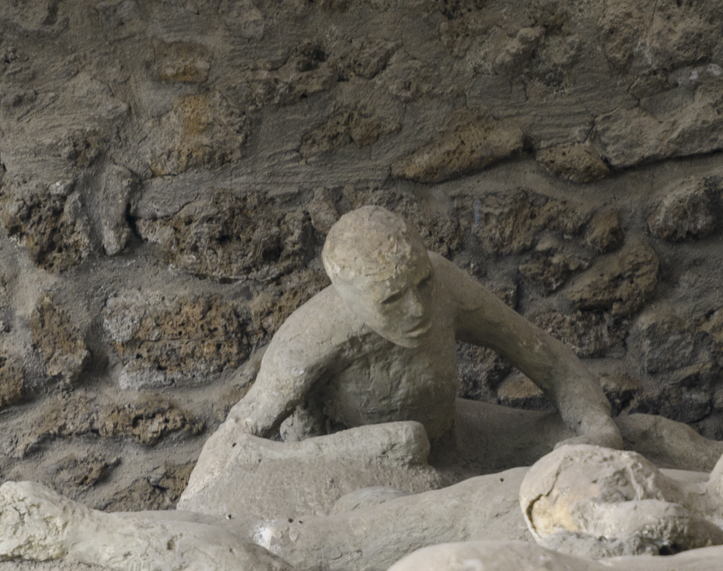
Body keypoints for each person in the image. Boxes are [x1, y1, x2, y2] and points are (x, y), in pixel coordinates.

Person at [186, 206, 624, 488]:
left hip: (452, 441)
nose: (418, 308)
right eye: (393, 299)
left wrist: (596, 422)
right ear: (348, 296)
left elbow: (541, 354)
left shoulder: (443, 285)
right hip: (351, 476)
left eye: (421, 283)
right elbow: (233, 447)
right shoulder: (307, 341)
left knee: (586, 440)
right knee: (407, 442)